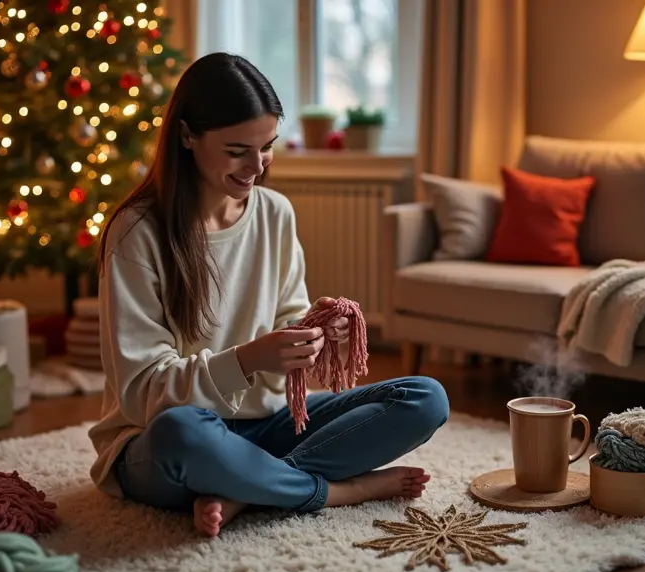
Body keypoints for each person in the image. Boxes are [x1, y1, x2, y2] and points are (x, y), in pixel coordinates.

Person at [88, 52, 450, 538]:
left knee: (425, 398)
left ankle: (247, 488)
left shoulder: (275, 213)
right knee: (184, 433)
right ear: (187, 136)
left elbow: (287, 315)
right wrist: (248, 359)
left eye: (268, 146)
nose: (257, 166)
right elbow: (141, 394)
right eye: (238, 150)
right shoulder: (137, 233)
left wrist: (316, 330)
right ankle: (336, 490)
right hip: (158, 443)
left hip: (265, 423)